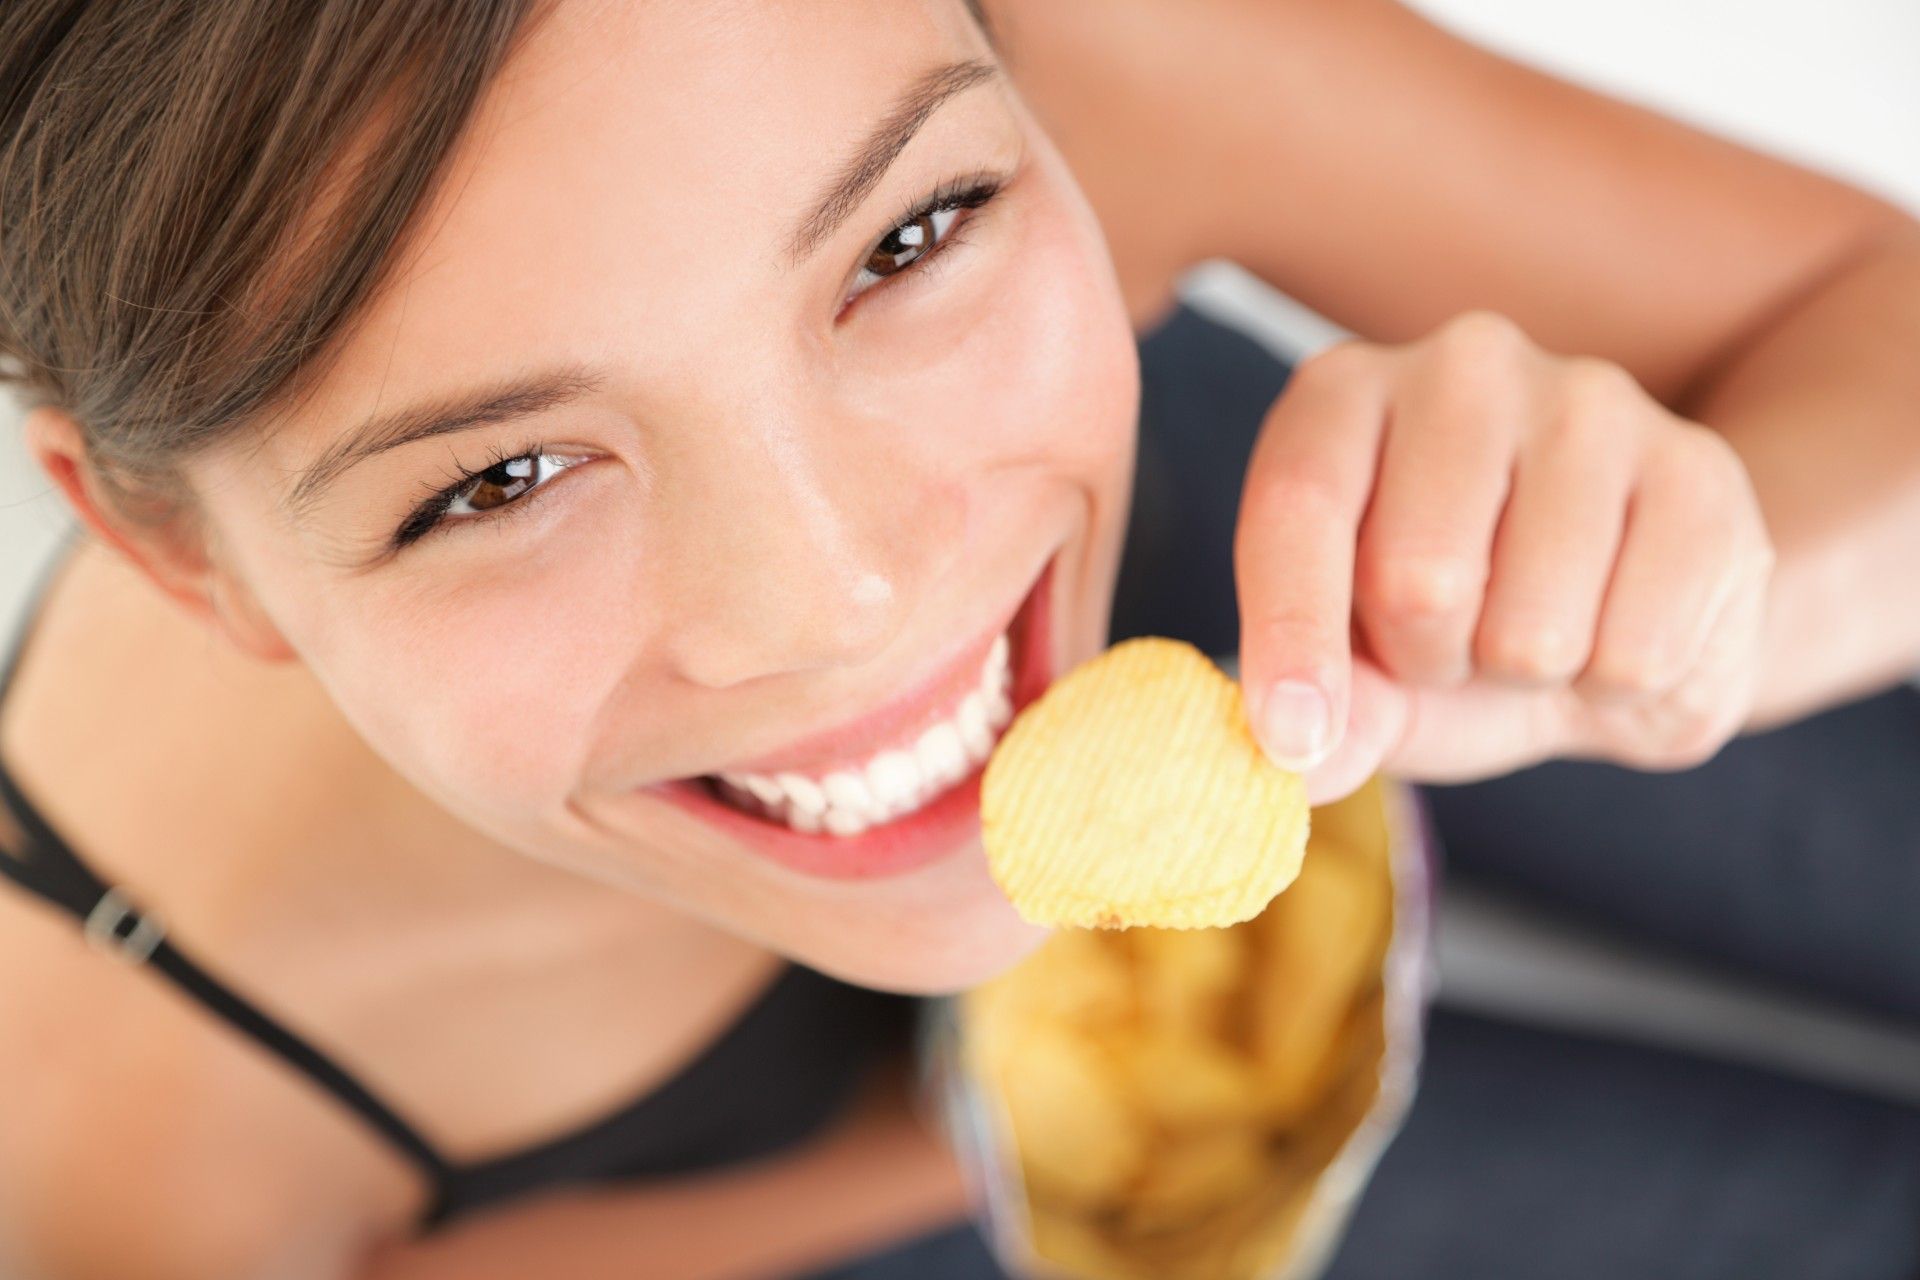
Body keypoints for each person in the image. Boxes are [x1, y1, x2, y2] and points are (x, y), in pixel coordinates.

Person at [0, 2, 1915, 1277]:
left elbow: (1874, 311)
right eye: (496, 482)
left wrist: (1718, 608)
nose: (842, 606)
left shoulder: (1069, 49)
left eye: (910, 244)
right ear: (183, 557)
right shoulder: (114, 1143)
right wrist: (1026, 1150)